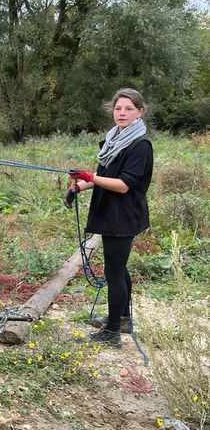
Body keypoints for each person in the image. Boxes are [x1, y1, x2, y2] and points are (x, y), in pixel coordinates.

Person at [62, 88, 153, 347]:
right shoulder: (114, 139)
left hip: (123, 215)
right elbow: (104, 174)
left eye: (129, 109)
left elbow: (124, 185)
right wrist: (78, 187)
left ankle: (112, 332)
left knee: (114, 272)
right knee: (119, 268)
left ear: (140, 112)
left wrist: (89, 177)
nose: (122, 113)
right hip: (109, 212)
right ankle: (122, 319)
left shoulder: (140, 145)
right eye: (118, 109)